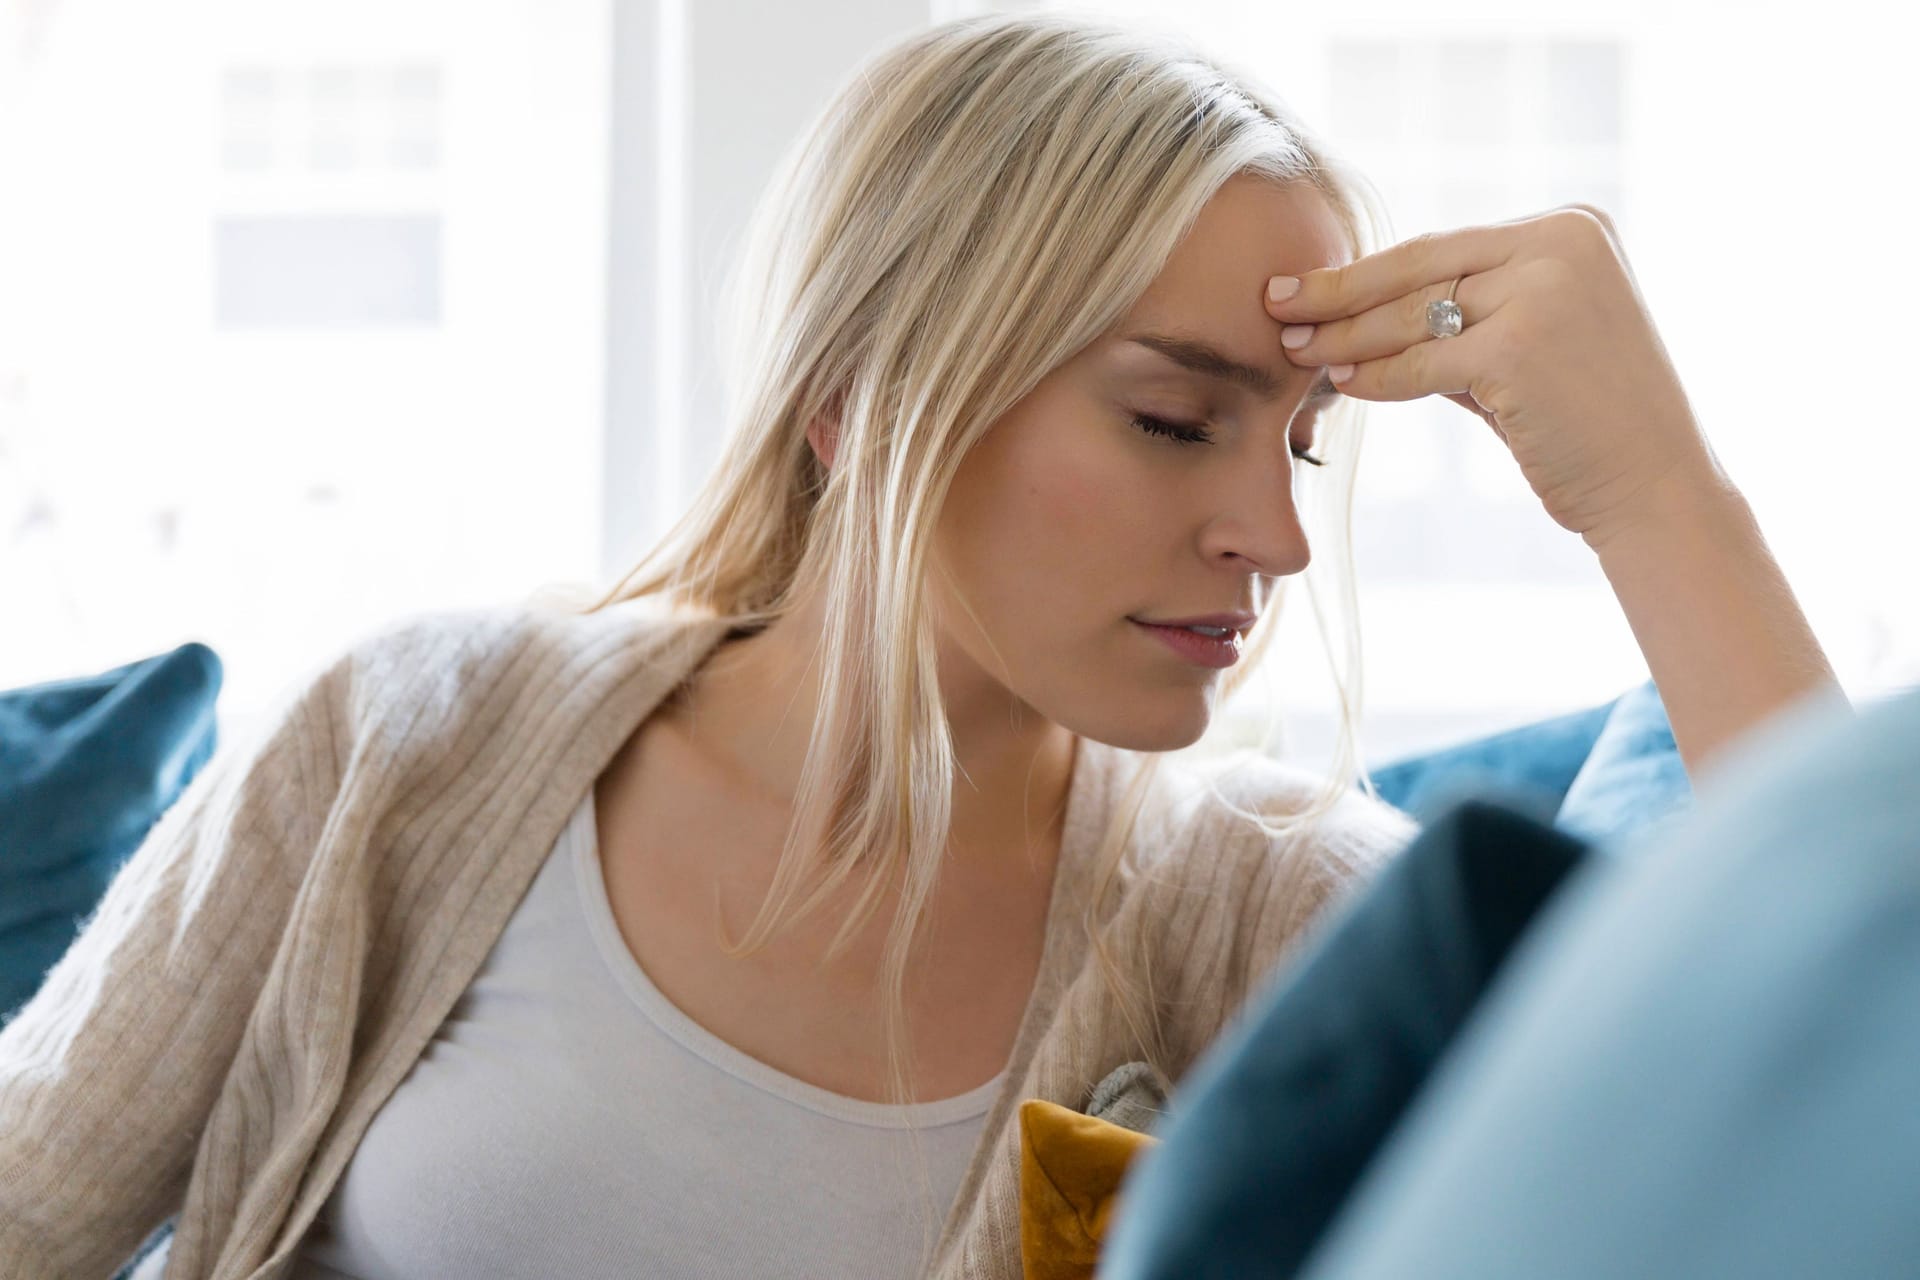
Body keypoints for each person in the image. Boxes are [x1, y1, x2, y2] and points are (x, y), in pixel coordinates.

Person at [0, 12, 1841, 1280]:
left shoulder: (1265, 915)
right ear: (864, 397)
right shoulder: (420, 740)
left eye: (1300, 442)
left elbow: (1827, 1140)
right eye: (1172, 418)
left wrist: (1663, 501)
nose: (1276, 535)